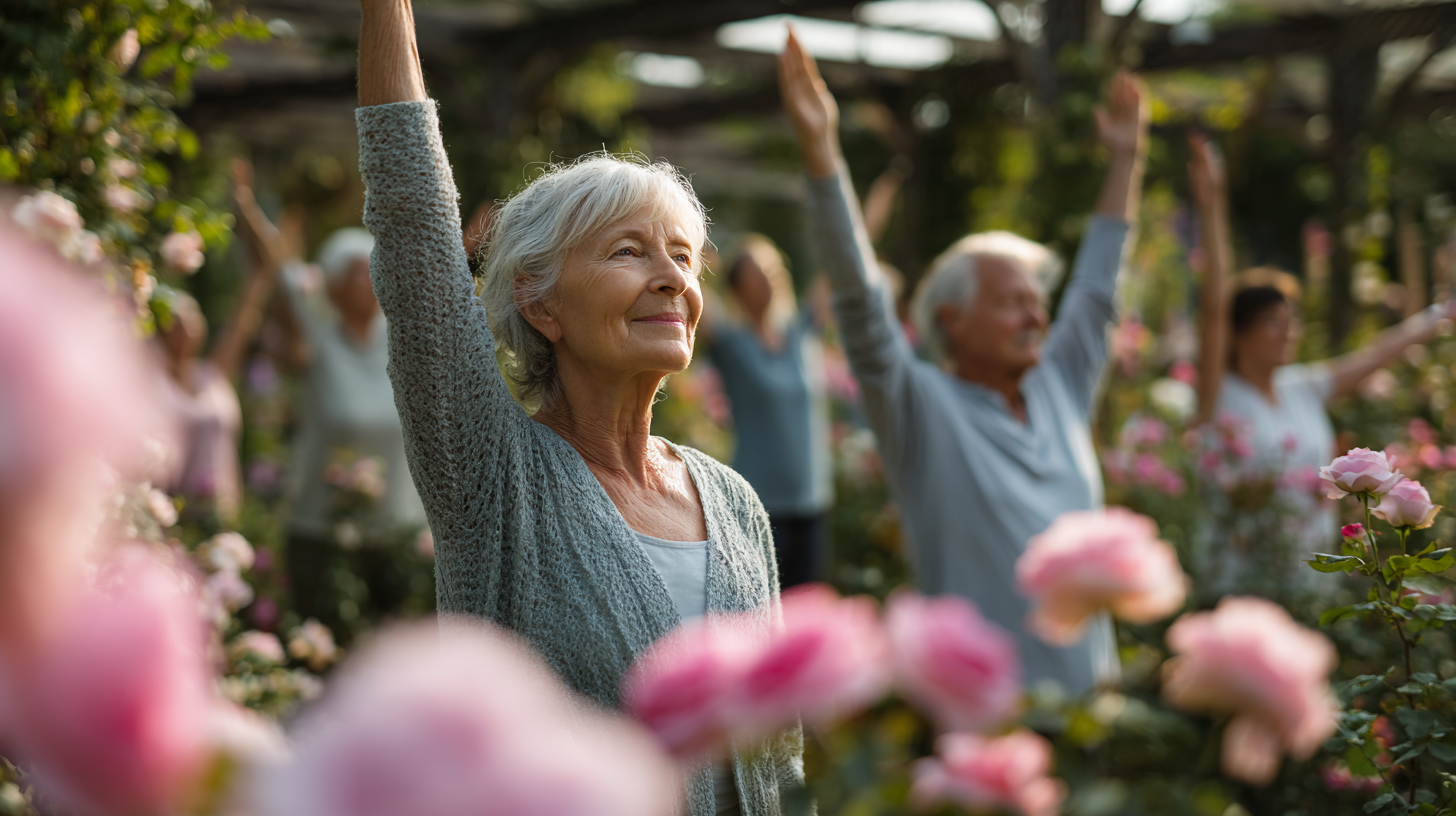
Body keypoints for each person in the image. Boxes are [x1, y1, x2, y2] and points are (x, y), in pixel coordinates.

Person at [353, 0, 798, 813]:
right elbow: (415, 231)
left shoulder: (736, 504)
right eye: (628, 251)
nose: (672, 278)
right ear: (540, 304)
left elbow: (782, 761)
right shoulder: (493, 478)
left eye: (683, 256)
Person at [779, 32, 1148, 694]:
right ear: (951, 320)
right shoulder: (919, 407)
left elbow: (1095, 293)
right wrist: (821, 151)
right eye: (1012, 303)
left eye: (1037, 303)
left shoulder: (1059, 386)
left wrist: (1125, 159)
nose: (1036, 318)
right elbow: (861, 307)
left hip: (1096, 712)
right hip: (987, 721)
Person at [1189, 132, 1455, 571]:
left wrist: (1440, 314)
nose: (1288, 332)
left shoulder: (1301, 387)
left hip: (1310, 579)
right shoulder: (1217, 393)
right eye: (1273, 321)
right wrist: (1212, 203)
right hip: (1241, 580)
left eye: (1291, 320)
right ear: (1238, 333)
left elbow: (1375, 354)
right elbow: (1214, 310)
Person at [231, 169, 427, 631]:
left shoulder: (398, 338)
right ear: (334, 287)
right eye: (361, 273)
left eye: (377, 271)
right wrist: (247, 209)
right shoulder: (316, 340)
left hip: (396, 536)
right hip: (321, 533)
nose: (373, 281)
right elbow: (279, 272)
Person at [698, 235, 832, 588]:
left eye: (773, 269)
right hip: (757, 507)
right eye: (757, 273)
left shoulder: (802, 332)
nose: (768, 278)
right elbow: (690, 289)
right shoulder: (731, 344)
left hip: (810, 503)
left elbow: (841, 260)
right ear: (738, 287)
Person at [154, 172, 284, 521]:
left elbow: (262, 277)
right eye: (173, 318)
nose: (184, 324)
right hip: (168, 522)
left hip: (220, 523)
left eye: (191, 315)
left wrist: (245, 207)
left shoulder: (214, 376)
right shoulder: (147, 383)